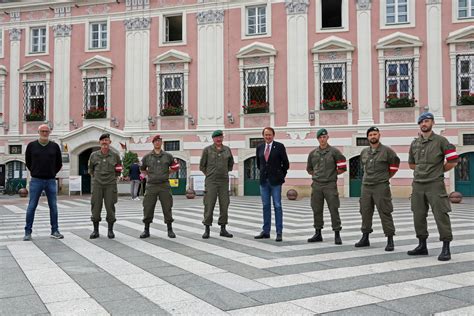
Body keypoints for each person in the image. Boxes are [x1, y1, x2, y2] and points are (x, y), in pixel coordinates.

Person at [407, 112, 458, 261]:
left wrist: (439, 171)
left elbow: (453, 161)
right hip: (418, 185)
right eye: (421, 122)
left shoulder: (442, 141)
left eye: (427, 121)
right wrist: (421, 171)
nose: (424, 124)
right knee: (418, 215)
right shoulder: (414, 143)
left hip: (435, 184)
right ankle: (422, 245)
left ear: (432, 123)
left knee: (441, 215)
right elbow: (411, 164)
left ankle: (446, 248)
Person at [355, 127, 400, 251]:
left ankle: (390, 239)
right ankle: (365, 237)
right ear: (367, 137)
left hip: (381, 186)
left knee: (385, 212)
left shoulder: (387, 151)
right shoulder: (364, 152)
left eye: (375, 134)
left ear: (379, 135)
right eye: (370, 135)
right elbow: (363, 167)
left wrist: (385, 177)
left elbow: (395, 166)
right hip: (366, 186)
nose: (373, 136)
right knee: (365, 211)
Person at [306, 128, 346, 245]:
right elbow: (309, 169)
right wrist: (317, 175)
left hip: (330, 185)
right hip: (317, 185)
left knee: (334, 209)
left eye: (324, 137)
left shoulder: (335, 152)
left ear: (327, 138)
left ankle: (337, 234)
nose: (322, 139)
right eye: (320, 137)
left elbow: (342, 166)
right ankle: (318, 233)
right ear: (318, 139)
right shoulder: (313, 153)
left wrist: (332, 174)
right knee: (316, 209)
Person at [23, 124, 64, 241]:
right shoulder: (31, 146)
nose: (45, 133)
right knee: (31, 206)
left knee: (53, 207)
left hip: (51, 180)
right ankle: (27, 232)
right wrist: (36, 171)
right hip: (36, 180)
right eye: (42, 131)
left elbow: (59, 163)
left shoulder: (55, 146)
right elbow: (28, 162)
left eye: (47, 131)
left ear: (49, 132)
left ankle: (55, 230)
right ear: (38, 132)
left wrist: (52, 173)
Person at [139, 134, 180, 239]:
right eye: (156, 141)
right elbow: (142, 168)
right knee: (148, 207)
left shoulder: (167, 156)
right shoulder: (147, 157)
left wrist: (168, 172)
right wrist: (148, 175)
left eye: (159, 141)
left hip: (164, 185)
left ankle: (170, 229)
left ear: (161, 143)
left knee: (167, 207)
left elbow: (175, 166)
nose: (157, 142)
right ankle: (146, 230)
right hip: (151, 185)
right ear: (153, 143)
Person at [254, 127, 290, 242]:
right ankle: (266, 231)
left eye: (269, 135)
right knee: (265, 206)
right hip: (264, 181)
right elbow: (259, 164)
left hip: (276, 182)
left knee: (277, 206)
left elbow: (286, 164)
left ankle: (279, 232)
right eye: (265, 135)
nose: (267, 137)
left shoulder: (279, 146)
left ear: (273, 135)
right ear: (263, 136)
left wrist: (281, 176)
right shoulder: (260, 147)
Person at [199, 130, 235, 239]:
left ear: (222, 138)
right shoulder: (207, 150)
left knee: (224, 204)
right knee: (209, 204)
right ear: (213, 139)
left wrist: (223, 172)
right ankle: (207, 229)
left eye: (220, 137)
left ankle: (223, 228)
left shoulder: (227, 150)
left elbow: (230, 164)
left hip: (223, 180)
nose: (219, 139)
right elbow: (202, 166)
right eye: (216, 137)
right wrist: (210, 174)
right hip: (211, 181)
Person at [88, 133, 122, 239]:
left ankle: (110, 230)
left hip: (110, 185)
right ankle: (95, 230)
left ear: (109, 142)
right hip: (97, 185)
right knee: (95, 207)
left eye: (106, 140)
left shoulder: (115, 155)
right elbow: (90, 169)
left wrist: (113, 178)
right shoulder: (93, 155)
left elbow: (118, 169)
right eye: (102, 141)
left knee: (110, 207)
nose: (104, 143)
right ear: (100, 143)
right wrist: (96, 178)